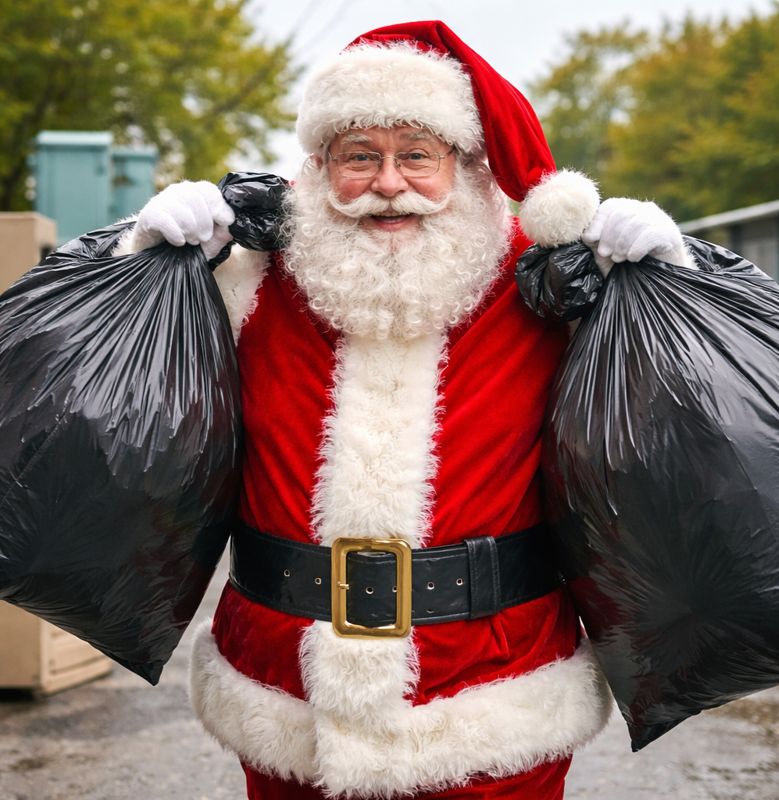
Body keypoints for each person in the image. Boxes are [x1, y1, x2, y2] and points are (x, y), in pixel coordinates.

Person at [119, 20, 696, 800]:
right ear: (318, 167)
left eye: (416, 156)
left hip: (492, 698)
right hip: (285, 696)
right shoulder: (252, 273)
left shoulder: (547, 278)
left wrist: (664, 275)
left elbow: (675, 403)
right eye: (360, 156)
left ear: (465, 166)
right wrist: (146, 252)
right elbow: (118, 382)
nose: (388, 183)